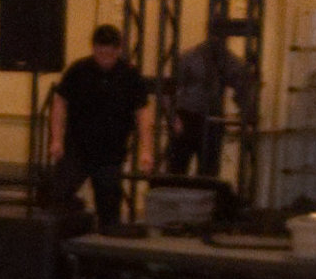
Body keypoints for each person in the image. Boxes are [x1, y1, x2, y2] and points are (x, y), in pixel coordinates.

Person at [48, 24, 151, 232]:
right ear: (93, 48)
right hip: (77, 147)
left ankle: (103, 252)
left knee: (109, 211)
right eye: (101, 52)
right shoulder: (78, 70)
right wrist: (56, 139)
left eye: (110, 53)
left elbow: (142, 113)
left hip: (110, 152)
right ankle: (65, 240)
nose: (105, 57)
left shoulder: (130, 75)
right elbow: (59, 103)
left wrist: (146, 149)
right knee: (58, 195)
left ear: (118, 50)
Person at [165, 28, 257, 177]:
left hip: (198, 118)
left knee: (187, 172)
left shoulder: (198, 57)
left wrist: (247, 116)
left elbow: (243, 86)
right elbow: (170, 90)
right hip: (195, 118)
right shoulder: (223, 59)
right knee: (192, 173)